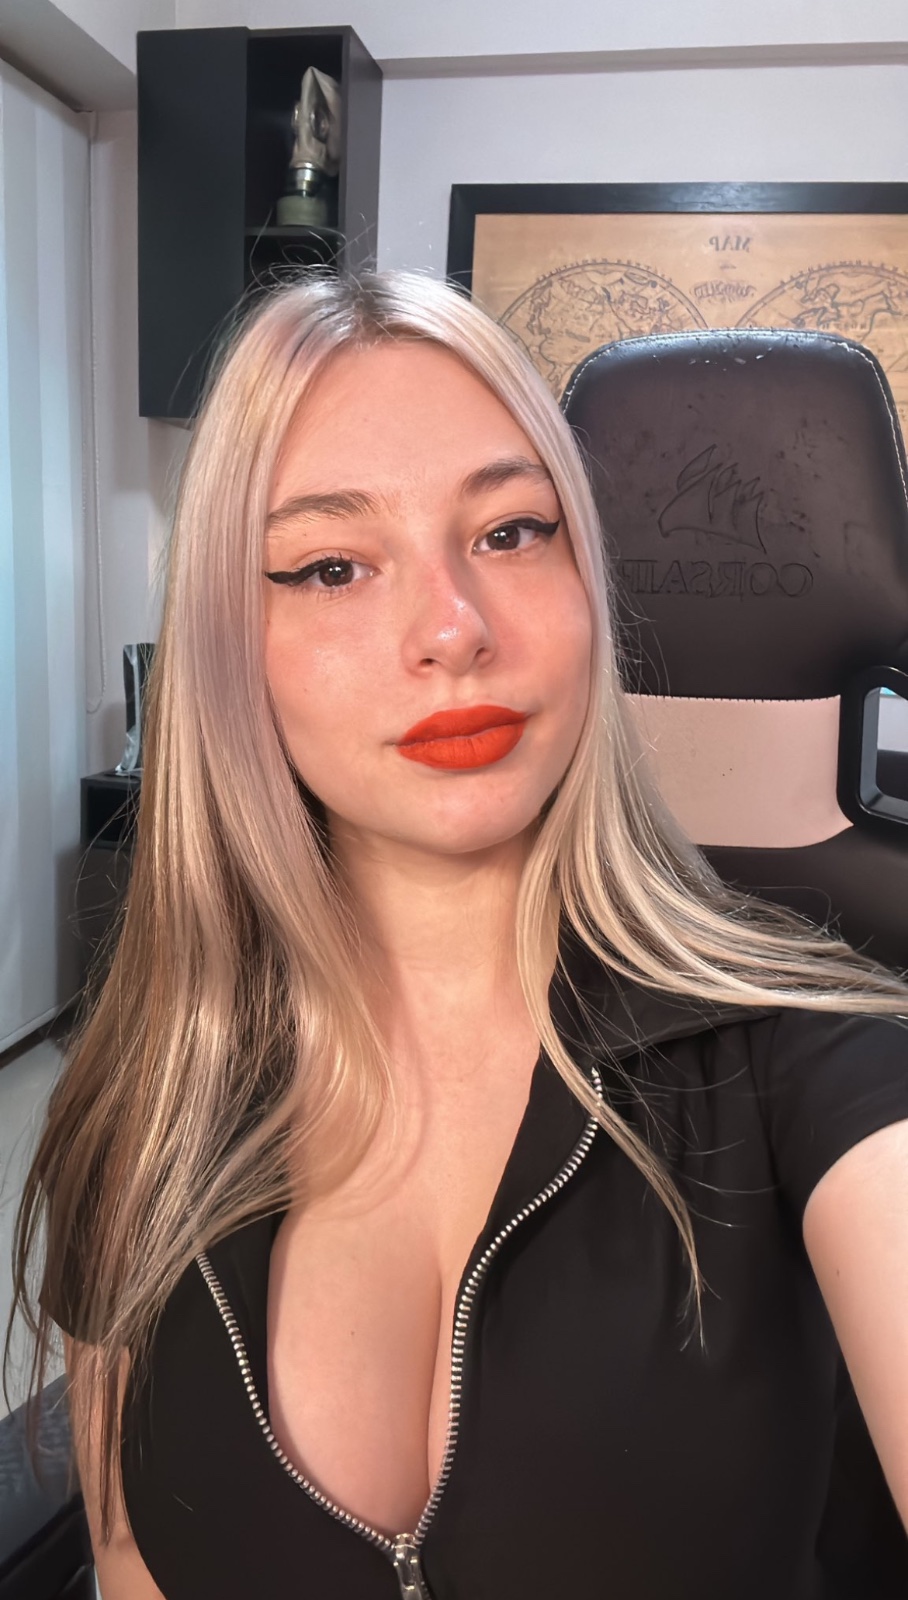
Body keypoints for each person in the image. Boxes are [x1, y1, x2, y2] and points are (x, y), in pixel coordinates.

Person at [7, 269, 908, 1600]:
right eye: (332, 566)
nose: (453, 630)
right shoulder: (144, 1105)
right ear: (228, 645)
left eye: (512, 532)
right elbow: (130, 1554)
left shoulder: (821, 1058)